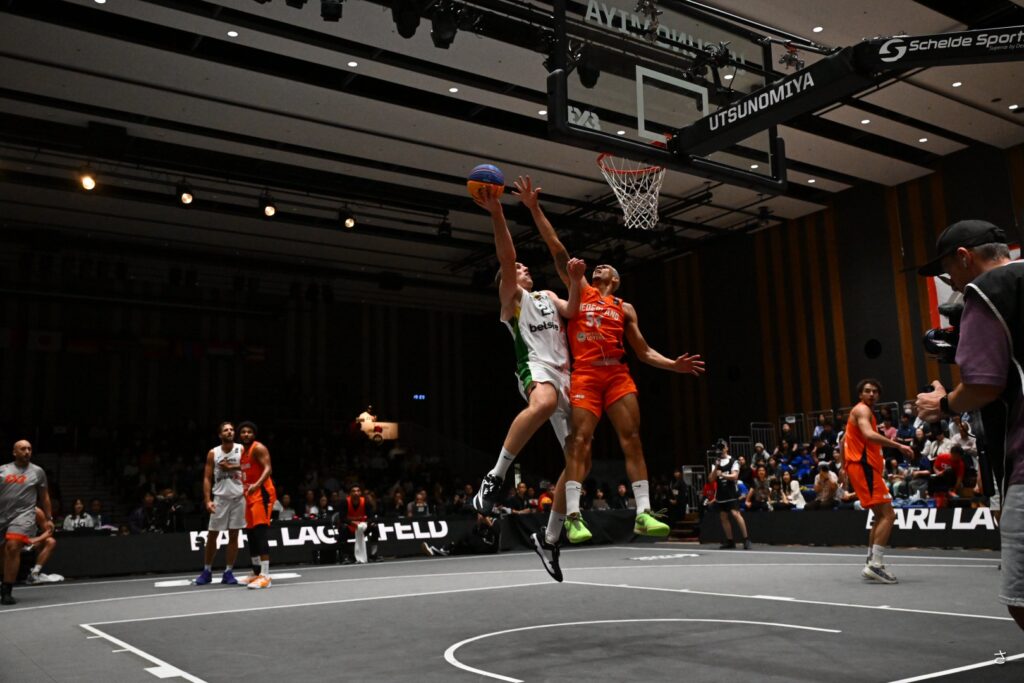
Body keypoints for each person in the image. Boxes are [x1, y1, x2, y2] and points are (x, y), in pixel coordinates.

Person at [516, 175, 705, 546]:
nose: (599, 267)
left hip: (617, 375)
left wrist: (674, 365)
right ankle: (573, 517)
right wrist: (535, 209)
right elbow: (556, 248)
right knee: (579, 441)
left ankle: (644, 513)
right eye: (597, 266)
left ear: (615, 280)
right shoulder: (580, 289)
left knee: (631, 438)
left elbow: (644, 352)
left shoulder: (624, 307)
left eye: (606, 267)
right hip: (585, 375)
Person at [469, 184, 586, 583]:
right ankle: (495, 476)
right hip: (534, 368)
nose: (522, 268)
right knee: (543, 403)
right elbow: (506, 255)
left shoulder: (548, 296)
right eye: (517, 269)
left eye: (523, 268)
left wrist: (574, 280)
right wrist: (497, 212)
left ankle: (549, 538)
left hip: (567, 376)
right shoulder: (512, 300)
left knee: (579, 459)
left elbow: (573, 307)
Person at [916, 221, 1023, 630]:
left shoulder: (986, 290)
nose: (952, 284)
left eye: (948, 272)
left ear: (964, 257)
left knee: (1021, 600)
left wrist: (942, 404)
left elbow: (982, 385)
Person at [844, 379, 916, 584]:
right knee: (889, 515)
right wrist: (899, 446)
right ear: (860, 394)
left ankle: (871, 561)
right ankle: (876, 564)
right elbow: (868, 434)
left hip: (863, 467)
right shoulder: (862, 410)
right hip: (863, 467)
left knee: (879, 515)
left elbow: (843, 441)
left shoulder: (863, 412)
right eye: (867, 391)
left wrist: (843, 467)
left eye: (875, 391)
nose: (871, 394)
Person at [1, 440, 54, 604]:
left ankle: (7, 591)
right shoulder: (3, 470)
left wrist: (49, 518)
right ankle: (4, 581)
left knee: (13, 546)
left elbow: (44, 496)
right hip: (2, 515)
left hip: (23, 516)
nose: (27, 452)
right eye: (23, 449)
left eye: (29, 449)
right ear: (14, 452)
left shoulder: (37, 472)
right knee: (3, 552)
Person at [194, 422, 244, 586]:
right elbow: (207, 478)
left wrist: (231, 467)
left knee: (234, 535)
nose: (229, 432)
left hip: (239, 498)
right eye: (226, 430)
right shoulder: (213, 453)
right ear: (220, 435)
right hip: (220, 499)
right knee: (212, 535)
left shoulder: (241, 449)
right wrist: (207, 500)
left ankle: (228, 572)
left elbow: (249, 467)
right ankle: (207, 571)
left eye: (231, 430)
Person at [237, 421, 276, 589]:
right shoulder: (241, 452)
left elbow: (268, 468)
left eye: (249, 432)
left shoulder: (258, 448)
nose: (246, 434)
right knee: (251, 534)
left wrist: (258, 484)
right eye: (243, 432)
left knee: (260, 533)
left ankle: (265, 575)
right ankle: (256, 572)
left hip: (262, 494)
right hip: (248, 495)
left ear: (254, 434)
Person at [708, 442, 751, 549]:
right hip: (721, 494)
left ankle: (746, 539)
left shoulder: (733, 461)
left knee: (736, 514)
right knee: (723, 516)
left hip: (731, 492)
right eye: (719, 448)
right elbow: (711, 479)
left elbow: (735, 476)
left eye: (723, 447)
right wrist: (716, 467)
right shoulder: (716, 462)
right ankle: (730, 541)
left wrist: (722, 475)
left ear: (726, 448)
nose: (721, 450)